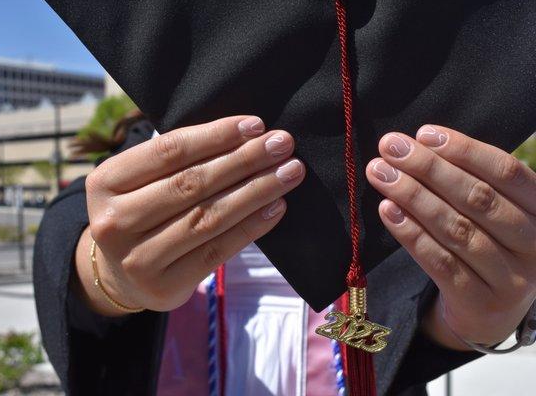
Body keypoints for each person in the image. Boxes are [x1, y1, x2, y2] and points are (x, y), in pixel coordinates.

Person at [34, 112, 536, 395]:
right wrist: (107, 276)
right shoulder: (152, 152)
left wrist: (476, 322)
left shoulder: (395, 147)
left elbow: (397, 331)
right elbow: (78, 234)